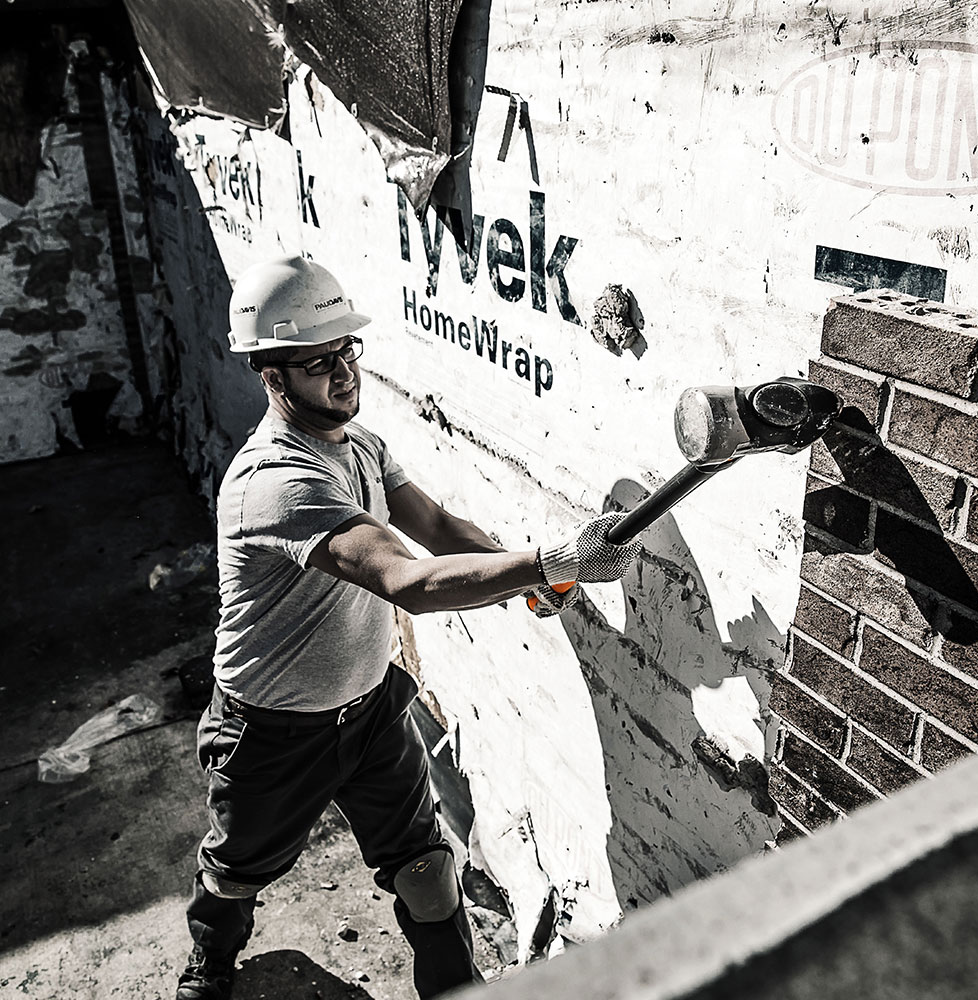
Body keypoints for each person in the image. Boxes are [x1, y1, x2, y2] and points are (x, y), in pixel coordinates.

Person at [176, 254, 643, 1000]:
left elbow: (439, 529)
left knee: (427, 872)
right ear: (271, 375)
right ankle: (210, 962)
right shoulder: (277, 482)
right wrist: (551, 560)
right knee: (236, 873)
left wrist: (533, 576)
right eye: (317, 363)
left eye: (346, 351)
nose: (343, 373)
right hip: (271, 728)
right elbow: (407, 581)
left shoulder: (360, 446)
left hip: (369, 713)